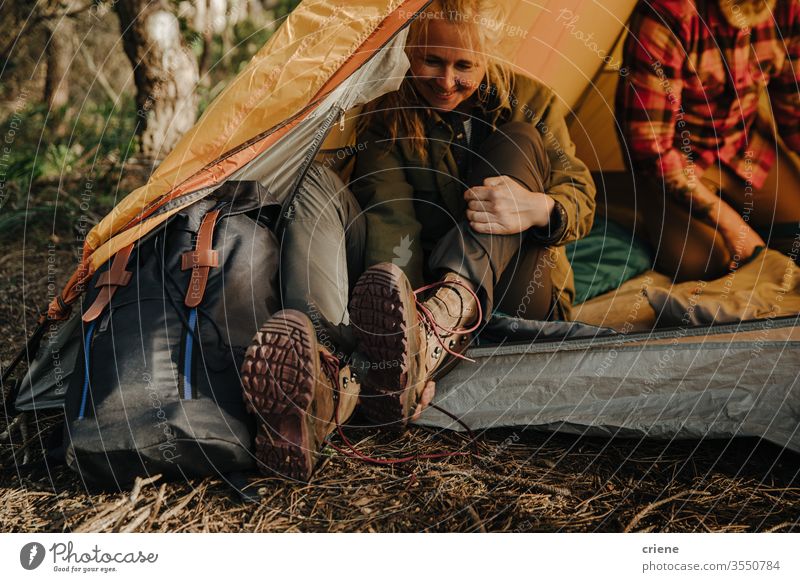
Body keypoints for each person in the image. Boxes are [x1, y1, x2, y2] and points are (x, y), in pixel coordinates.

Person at [240, 0, 596, 480]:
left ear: (486, 57)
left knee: (519, 139)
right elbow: (393, 225)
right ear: (407, 51)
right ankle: (325, 383)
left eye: (464, 66)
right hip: (422, 312)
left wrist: (541, 208)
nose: (447, 82)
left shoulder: (533, 101)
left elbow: (580, 193)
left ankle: (435, 325)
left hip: (519, 295)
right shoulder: (388, 113)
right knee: (316, 182)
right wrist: (397, 337)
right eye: (431, 61)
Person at [616, 0, 800, 282]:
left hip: (746, 144)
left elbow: (794, 114)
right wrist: (731, 225)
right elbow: (650, 146)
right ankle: (625, 205)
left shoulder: (791, 8)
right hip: (674, 160)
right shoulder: (667, 12)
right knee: (703, 264)